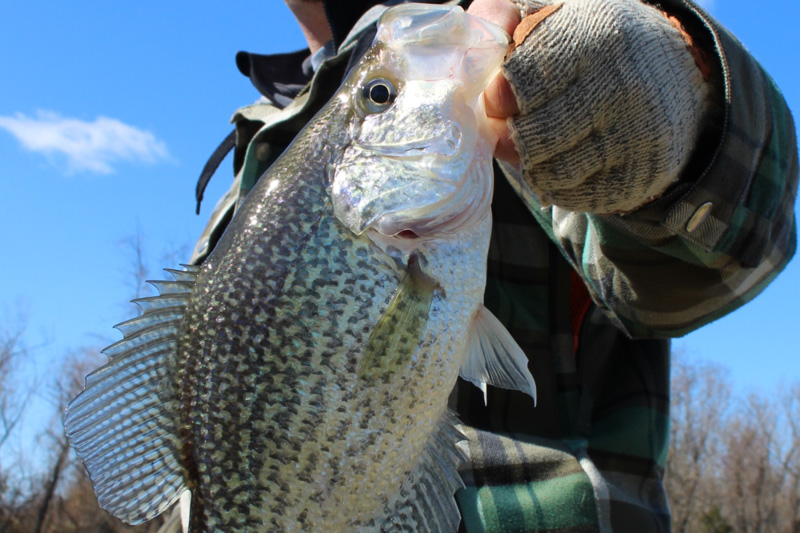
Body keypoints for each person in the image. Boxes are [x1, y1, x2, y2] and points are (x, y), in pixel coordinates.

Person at [183, 0, 798, 531]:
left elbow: (734, 262)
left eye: (381, 95)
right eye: (381, 94)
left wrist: (691, 103)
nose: (387, 92)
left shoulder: (509, 41)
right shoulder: (260, 133)